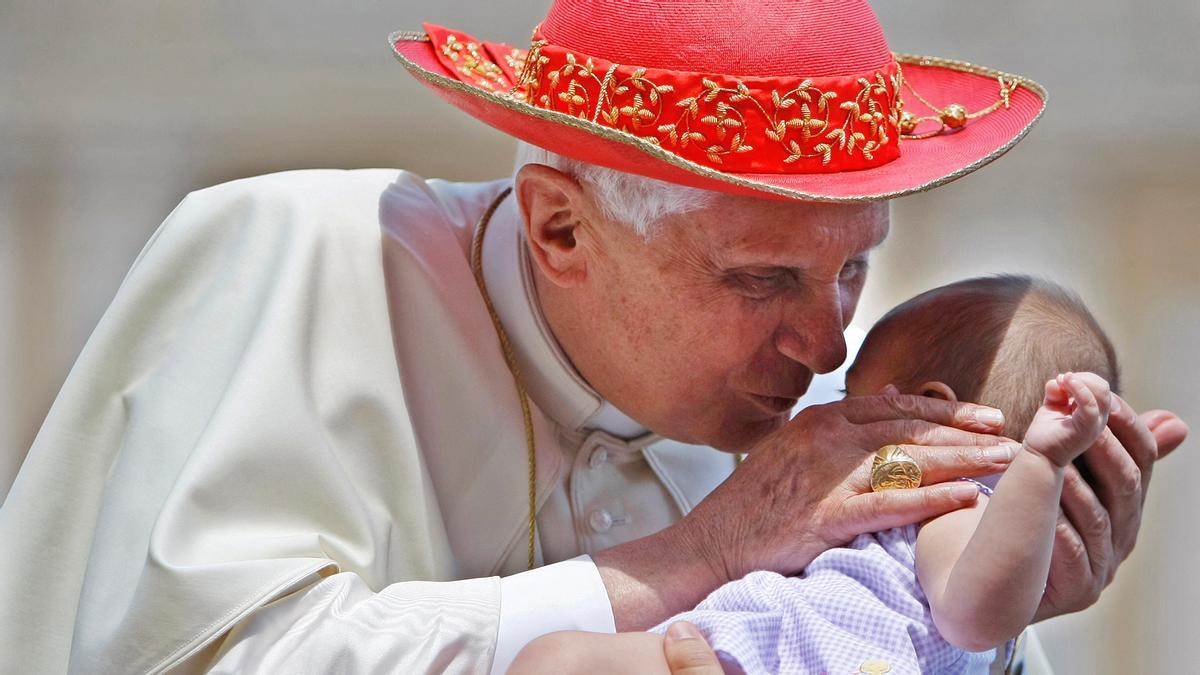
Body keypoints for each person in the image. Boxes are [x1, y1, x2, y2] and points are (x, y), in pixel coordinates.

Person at [0, 3, 1185, 674]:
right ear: (560, 226)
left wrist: (995, 600)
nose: (830, 346)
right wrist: (699, 554)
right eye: (763, 277)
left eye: (854, 269)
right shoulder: (299, 251)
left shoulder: (801, 422)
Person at [509, 275, 1129, 674]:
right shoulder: (898, 486)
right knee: (551, 659)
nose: (827, 360)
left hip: (807, 654)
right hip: (760, 641)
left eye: (851, 392)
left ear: (925, 406)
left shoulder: (952, 501)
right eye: (762, 276)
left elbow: (974, 620)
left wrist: (1042, 468)